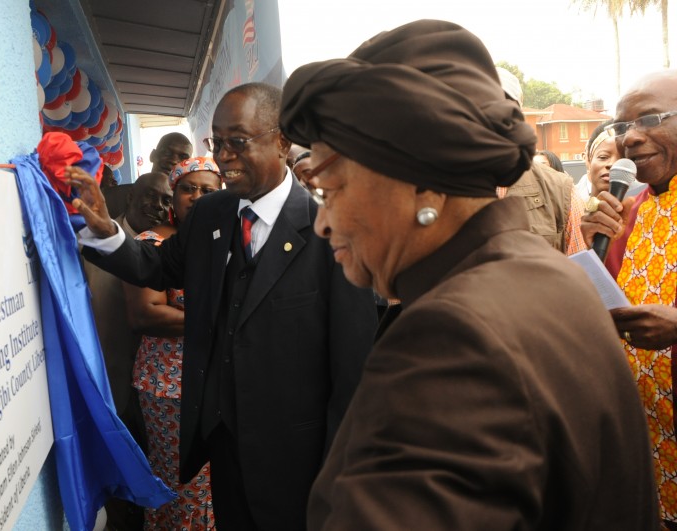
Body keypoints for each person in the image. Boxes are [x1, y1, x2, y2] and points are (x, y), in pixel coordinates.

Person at [280, 19, 658, 530]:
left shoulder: (451, 340)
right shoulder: (544, 272)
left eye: (330, 187)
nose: (323, 223)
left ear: (419, 181)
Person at [69, 82, 377, 531]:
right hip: (222, 449)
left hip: (299, 462)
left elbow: (354, 372)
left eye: (238, 141)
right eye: (217, 142)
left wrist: (341, 476)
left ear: (282, 142)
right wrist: (105, 232)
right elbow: (156, 266)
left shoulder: (331, 228)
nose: (224, 156)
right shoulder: (212, 214)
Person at [581, 69, 677, 529]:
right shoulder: (628, 210)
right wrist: (591, 247)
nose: (632, 138)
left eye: (651, 119)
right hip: (646, 449)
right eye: (622, 127)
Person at [124, 157, 222, 530]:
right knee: (183, 478)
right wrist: (219, 322)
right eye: (189, 188)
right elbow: (145, 314)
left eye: (209, 191)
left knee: (213, 482)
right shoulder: (152, 243)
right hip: (170, 388)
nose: (198, 197)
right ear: (174, 196)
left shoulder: (223, 241)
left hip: (216, 382)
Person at [81, 171, 174, 531]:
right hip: (109, 377)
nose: (159, 206)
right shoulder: (95, 245)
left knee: (148, 462)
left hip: (154, 387)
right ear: (133, 196)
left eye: (166, 200)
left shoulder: (167, 248)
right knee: (115, 468)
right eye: (152, 196)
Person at [496, 69, 587, 254]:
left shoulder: (562, 192)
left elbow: (581, 275)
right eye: (479, 106)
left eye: (502, 106)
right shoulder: (435, 189)